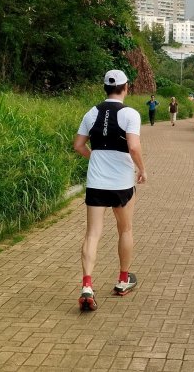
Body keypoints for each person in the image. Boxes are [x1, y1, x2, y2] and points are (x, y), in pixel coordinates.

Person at [73, 70, 147, 311]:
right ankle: (123, 280)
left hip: (96, 181)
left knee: (92, 233)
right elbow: (134, 147)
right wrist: (142, 169)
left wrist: (94, 156)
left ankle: (86, 286)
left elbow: (78, 145)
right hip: (122, 184)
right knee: (125, 229)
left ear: (105, 88)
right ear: (126, 88)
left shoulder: (91, 112)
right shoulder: (130, 114)